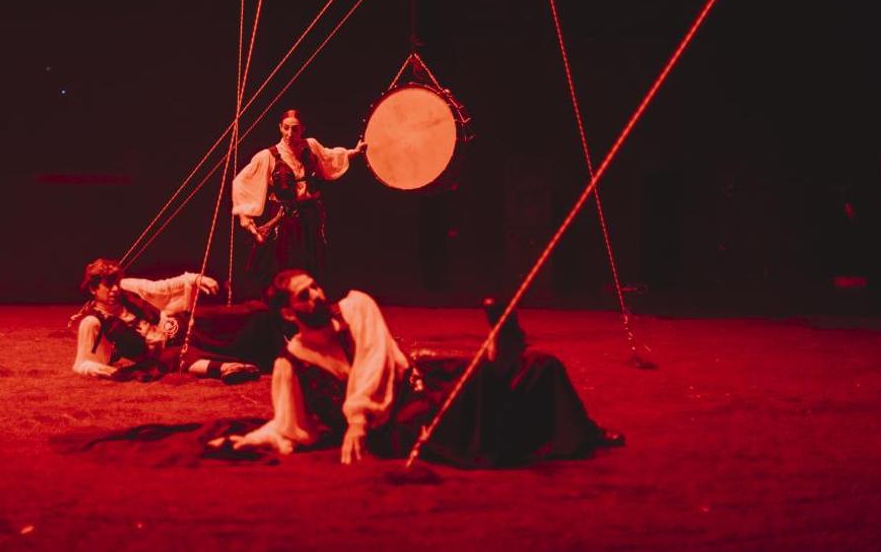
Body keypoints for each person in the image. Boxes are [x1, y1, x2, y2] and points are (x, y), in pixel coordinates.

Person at [214, 270, 623, 467]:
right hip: (395, 427)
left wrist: (356, 416)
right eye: (306, 296)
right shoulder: (291, 364)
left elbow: (373, 362)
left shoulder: (357, 307)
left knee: (542, 365)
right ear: (289, 313)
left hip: (415, 385)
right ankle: (498, 360)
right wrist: (248, 441)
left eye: (316, 287)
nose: (319, 296)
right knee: (469, 394)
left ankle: (581, 431)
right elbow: (291, 427)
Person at [70, 258, 290, 383]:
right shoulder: (93, 322)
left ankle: (287, 348)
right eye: (109, 285)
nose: (116, 289)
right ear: (92, 288)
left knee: (247, 313)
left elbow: (162, 288)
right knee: (175, 358)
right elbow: (83, 364)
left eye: (116, 282)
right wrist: (112, 372)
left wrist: (194, 279)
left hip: (181, 324)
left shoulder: (129, 289)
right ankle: (228, 368)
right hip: (163, 352)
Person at [231, 109, 365, 290]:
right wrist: (245, 217)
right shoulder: (268, 156)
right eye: (286, 128)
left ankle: (310, 302)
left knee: (311, 261)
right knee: (284, 262)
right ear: (280, 127)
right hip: (284, 218)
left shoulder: (311, 145)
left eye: (294, 129)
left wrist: (353, 152)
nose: (289, 134)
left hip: (310, 215)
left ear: (302, 129)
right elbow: (242, 182)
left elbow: (328, 157)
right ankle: (283, 304)